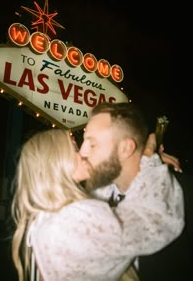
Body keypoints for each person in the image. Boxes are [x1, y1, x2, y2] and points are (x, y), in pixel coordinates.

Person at [11, 125, 184, 281]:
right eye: (75, 148)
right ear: (56, 161)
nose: (84, 153)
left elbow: (103, 191)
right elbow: (152, 218)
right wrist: (148, 156)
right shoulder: (69, 221)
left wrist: (134, 161)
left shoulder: (52, 214)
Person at [79, 101, 192, 281]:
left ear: (126, 148)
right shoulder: (95, 202)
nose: (82, 152)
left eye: (92, 145)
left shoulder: (183, 194)